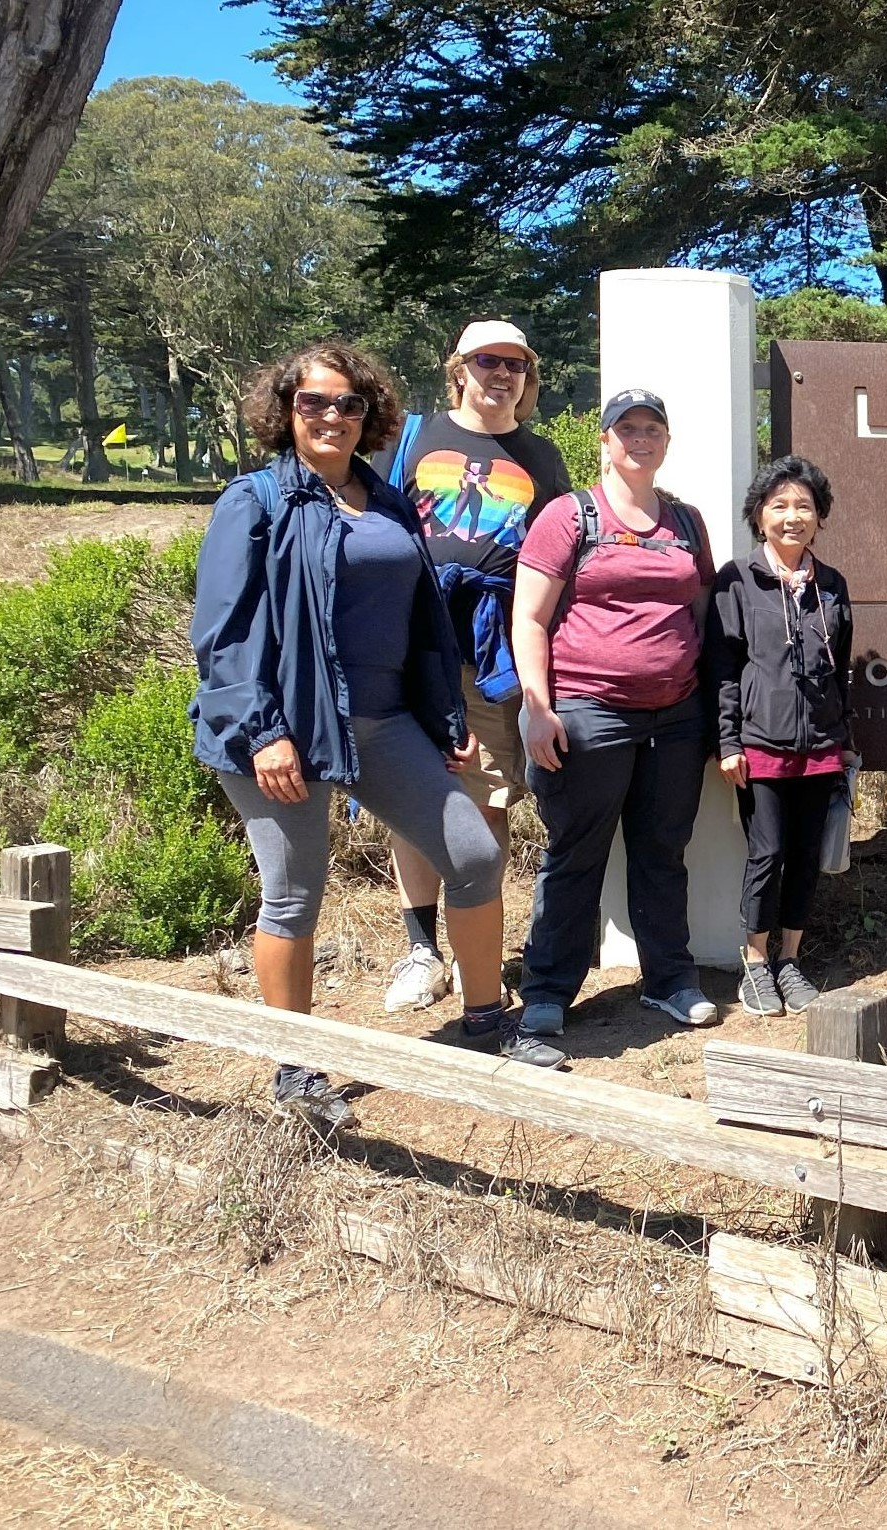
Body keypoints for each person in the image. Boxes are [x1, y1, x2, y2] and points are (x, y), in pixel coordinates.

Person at [191, 341, 553, 1136]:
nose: (332, 416)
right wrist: (263, 732)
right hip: (283, 729)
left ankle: (486, 1021)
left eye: (349, 404)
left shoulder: (385, 501)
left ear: (371, 416)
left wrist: (442, 718)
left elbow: (421, 623)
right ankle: (296, 1068)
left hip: (384, 721)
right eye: (314, 402)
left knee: (474, 852)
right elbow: (222, 634)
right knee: (293, 896)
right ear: (285, 410)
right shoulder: (255, 501)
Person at [369, 320, 572, 1015]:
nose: (501, 374)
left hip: (493, 654)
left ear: (528, 378)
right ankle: (421, 950)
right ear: (460, 368)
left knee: (487, 799)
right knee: (412, 793)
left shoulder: (542, 459)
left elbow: (555, 562)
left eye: (516, 364)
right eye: (488, 361)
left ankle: (472, 950)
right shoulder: (412, 438)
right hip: (412, 643)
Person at [511, 389, 719, 1036]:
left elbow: (702, 613)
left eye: (651, 427)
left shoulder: (686, 523)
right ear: (604, 440)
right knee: (576, 854)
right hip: (586, 712)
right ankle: (546, 992)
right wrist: (536, 707)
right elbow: (529, 616)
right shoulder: (569, 516)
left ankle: (670, 981)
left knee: (663, 851)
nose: (639, 437)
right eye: (625, 428)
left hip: (675, 717)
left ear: (665, 440)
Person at [709, 455, 854, 1017]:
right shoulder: (738, 580)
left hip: (820, 745)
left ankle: (791, 960)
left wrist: (842, 738)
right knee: (766, 852)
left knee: (805, 854)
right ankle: (755, 962)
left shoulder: (832, 586)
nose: (793, 516)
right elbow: (723, 668)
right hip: (760, 743)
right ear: (759, 515)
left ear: (818, 517)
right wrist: (728, 743)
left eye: (804, 506)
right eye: (780, 505)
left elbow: (841, 670)